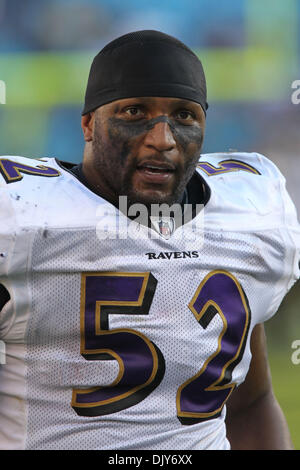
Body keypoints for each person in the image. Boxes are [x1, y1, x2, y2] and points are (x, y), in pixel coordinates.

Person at [0, 30, 299, 451]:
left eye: (184, 116)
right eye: (135, 112)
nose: (163, 139)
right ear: (88, 124)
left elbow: (250, 402)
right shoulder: (21, 221)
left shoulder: (248, 217)